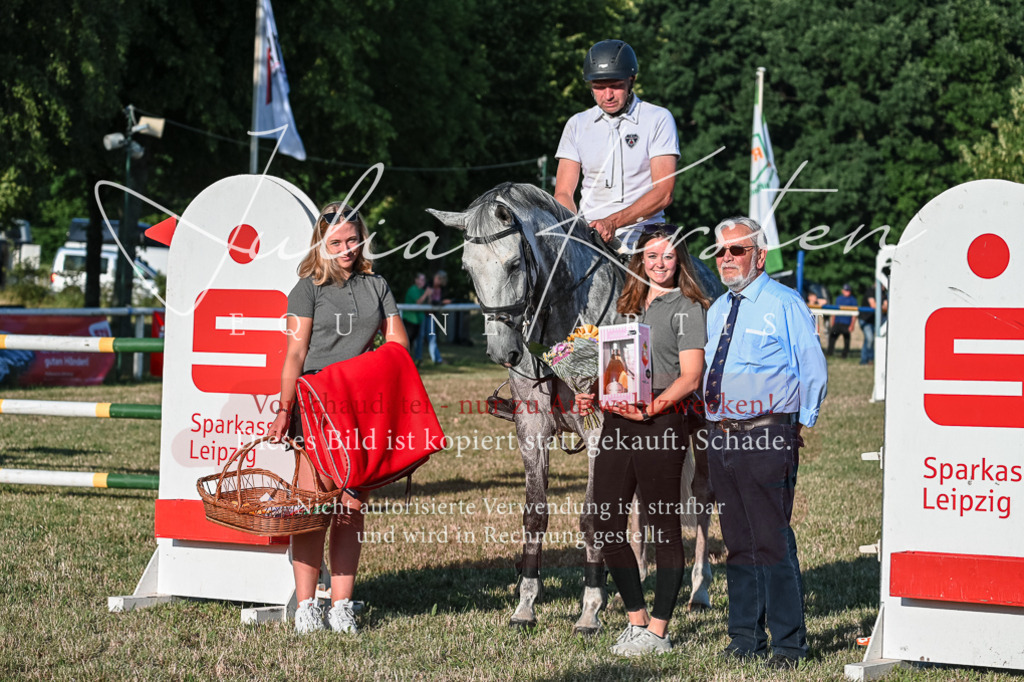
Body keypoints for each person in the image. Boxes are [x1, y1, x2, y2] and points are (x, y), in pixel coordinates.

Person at [268, 202, 409, 634]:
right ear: (320, 244)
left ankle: (342, 605)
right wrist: (283, 409)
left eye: (352, 240)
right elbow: (294, 354)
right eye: (336, 243)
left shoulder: (377, 284)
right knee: (313, 505)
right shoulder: (305, 289)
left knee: (351, 505)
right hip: (314, 404)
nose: (346, 249)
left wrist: (368, 371)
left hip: (360, 405)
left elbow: (398, 344)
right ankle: (307, 606)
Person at [577, 226, 709, 656]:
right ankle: (635, 621)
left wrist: (653, 409)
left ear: (679, 260)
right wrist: (593, 393)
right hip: (618, 424)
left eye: (668, 256)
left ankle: (658, 631)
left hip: (662, 424)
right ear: (639, 260)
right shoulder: (625, 306)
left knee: (663, 527)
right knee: (604, 521)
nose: (659, 264)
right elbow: (615, 368)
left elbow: (691, 377)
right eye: (652, 256)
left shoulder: (687, 307)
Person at [702, 216, 827, 669]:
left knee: (772, 540)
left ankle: (789, 644)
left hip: (767, 434)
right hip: (721, 436)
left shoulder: (783, 303)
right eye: (721, 251)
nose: (727, 258)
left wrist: (798, 425)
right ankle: (744, 636)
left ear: (759, 254)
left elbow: (812, 369)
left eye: (737, 250)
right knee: (737, 541)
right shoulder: (717, 310)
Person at [553, 40, 680, 253]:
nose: (608, 95)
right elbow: (563, 192)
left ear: (632, 80)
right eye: (599, 87)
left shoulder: (658, 118)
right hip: (590, 237)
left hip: (646, 237)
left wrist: (612, 222)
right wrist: (573, 228)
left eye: (616, 85)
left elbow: (663, 192)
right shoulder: (576, 124)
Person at [420, 270, 450, 364]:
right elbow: (427, 301)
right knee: (420, 338)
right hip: (422, 315)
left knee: (432, 338)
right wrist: (441, 303)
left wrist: (442, 302)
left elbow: (439, 300)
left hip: (432, 315)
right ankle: (418, 359)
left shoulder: (441, 288)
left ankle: (437, 360)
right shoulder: (427, 285)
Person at [404, 273, 429, 362]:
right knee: (408, 342)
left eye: (424, 280)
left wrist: (429, 295)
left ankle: (414, 360)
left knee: (416, 341)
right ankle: (405, 361)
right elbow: (419, 302)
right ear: (416, 280)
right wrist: (426, 293)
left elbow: (426, 303)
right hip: (410, 320)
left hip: (418, 320)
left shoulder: (421, 290)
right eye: (421, 279)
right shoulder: (413, 290)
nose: (423, 282)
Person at [827, 283, 857, 359]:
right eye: (846, 290)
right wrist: (833, 322)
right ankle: (829, 353)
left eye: (849, 290)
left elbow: (854, 315)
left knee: (846, 340)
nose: (848, 292)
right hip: (837, 322)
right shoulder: (838, 299)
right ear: (842, 291)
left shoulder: (853, 300)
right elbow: (834, 311)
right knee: (832, 337)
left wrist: (852, 325)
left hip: (846, 323)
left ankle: (844, 355)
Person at [858, 286, 877, 365]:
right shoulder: (870, 290)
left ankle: (864, 360)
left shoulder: (882, 293)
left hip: (872, 320)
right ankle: (869, 359)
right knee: (870, 339)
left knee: (868, 340)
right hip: (865, 319)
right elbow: (873, 305)